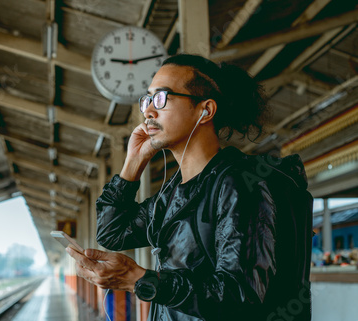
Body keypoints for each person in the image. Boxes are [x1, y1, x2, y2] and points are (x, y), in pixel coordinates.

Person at [66, 54, 313, 321]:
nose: (148, 110)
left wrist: (141, 280)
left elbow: (242, 296)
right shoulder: (172, 195)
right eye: (147, 99)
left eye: (161, 98)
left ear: (205, 110)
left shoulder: (241, 183)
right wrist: (133, 164)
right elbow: (112, 233)